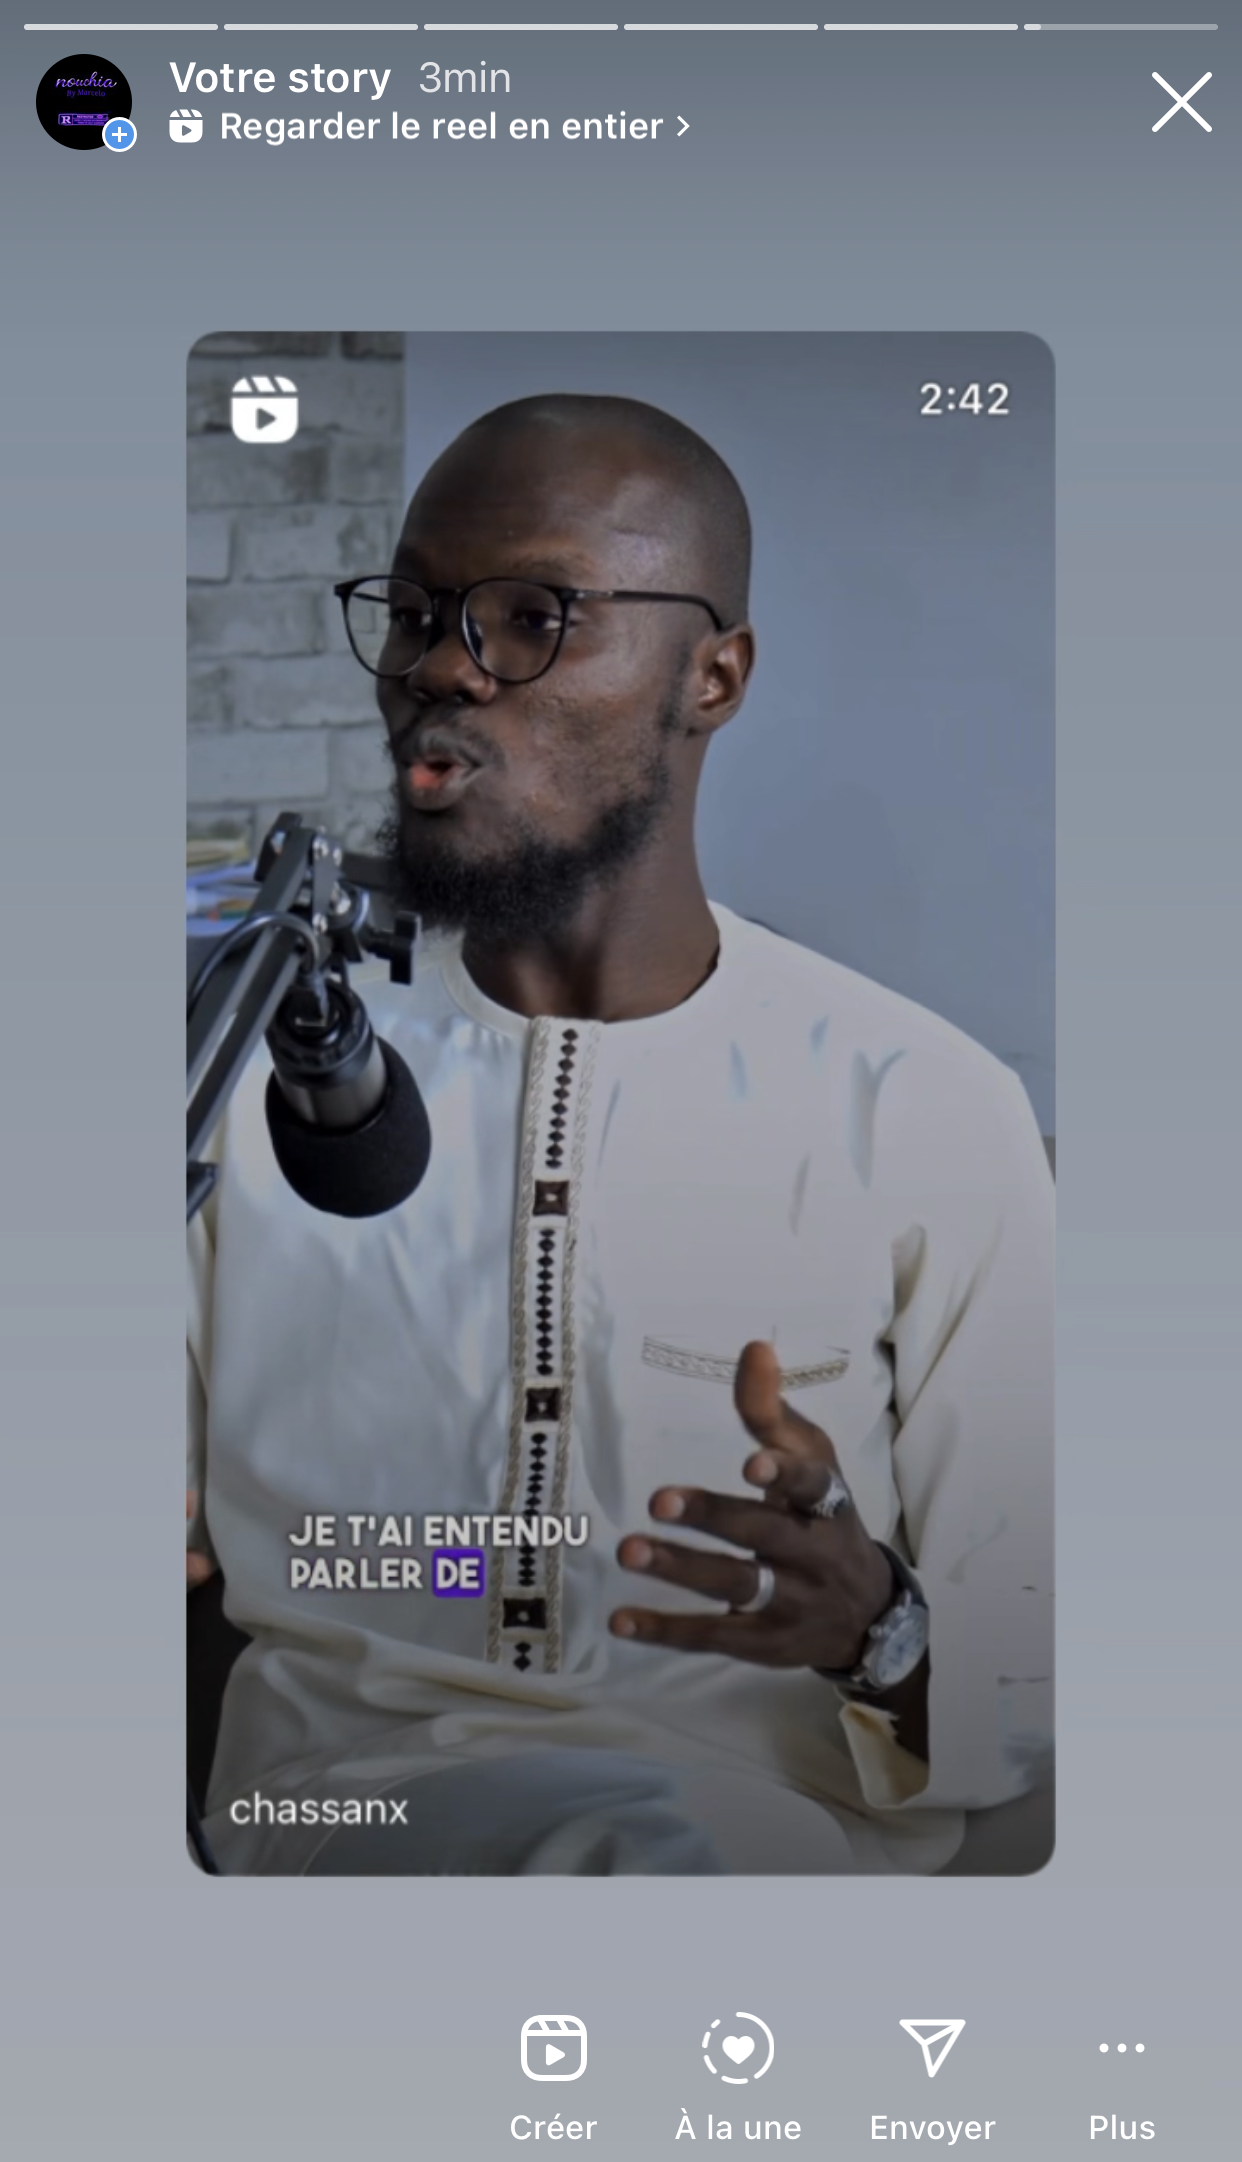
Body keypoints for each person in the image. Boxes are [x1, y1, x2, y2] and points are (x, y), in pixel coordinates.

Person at [187, 392, 1053, 1876]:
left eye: (533, 618)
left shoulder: (926, 1106)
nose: (439, 669)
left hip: (766, 1855)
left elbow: (1034, 1653)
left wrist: (879, 1625)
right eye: (416, 616)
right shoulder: (240, 1061)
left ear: (712, 677)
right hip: (329, 1824)